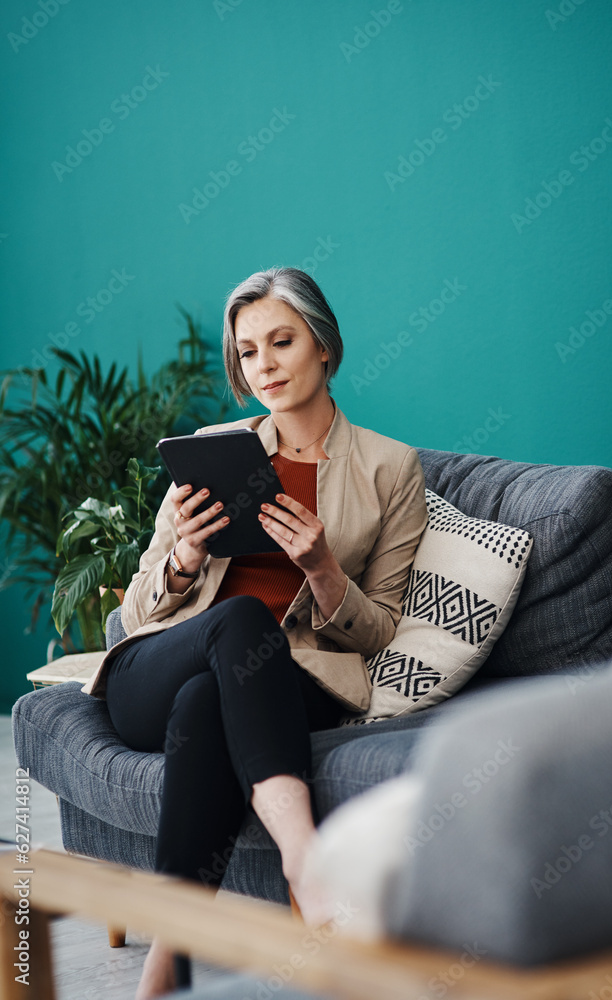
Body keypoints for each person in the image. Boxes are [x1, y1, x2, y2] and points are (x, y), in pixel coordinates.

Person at [81, 266, 428, 999]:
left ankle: (164, 965)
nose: (263, 365)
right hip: (158, 668)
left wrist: (324, 568)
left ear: (324, 347)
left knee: (208, 702)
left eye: (282, 342)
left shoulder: (391, 470)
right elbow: (139, 613)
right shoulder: (213, 449)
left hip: (288, 683)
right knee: (233, 620)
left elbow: (380, 631)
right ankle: (307, 862)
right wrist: (182, 559)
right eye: (248, 351)